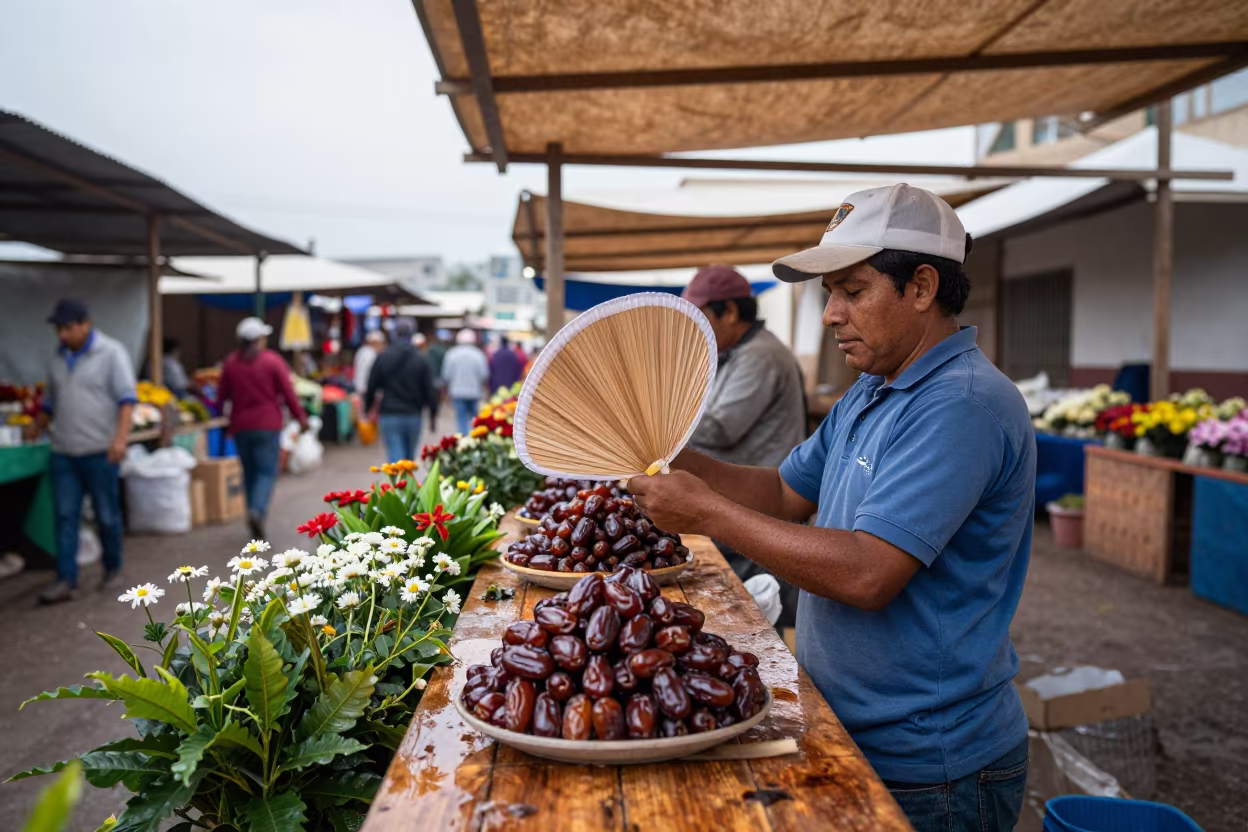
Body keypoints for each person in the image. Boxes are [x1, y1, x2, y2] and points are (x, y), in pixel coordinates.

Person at [628, 185, 1035, 832]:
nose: (830, 315)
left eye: (853, 290)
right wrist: (668, 457)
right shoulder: (873, 392)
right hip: (851, 722)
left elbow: (867, 574)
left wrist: (705, 514)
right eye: (830, 294)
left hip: (934, 764)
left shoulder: (962, 405)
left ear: (922, 287)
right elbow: (783, 493)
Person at [680, 265, 807, 627]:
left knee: (757, 618)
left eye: (701, 316)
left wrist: (661, 422)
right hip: (744, 501)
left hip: (762, 506)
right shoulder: (733, 353)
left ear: (731, 311)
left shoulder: (761, 355)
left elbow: (720, 428)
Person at [34, 299, 137, 604]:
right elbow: (50, 402)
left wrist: (120, 440)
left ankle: (112, 567)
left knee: (106, 514)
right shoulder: (56, 357)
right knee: (65, 516)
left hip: (100, 451)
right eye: (58, 329)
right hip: (64, 451)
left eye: (67, 328)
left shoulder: (111, 353)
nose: (62, 335)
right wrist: (36, 424)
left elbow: (127, 401)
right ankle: (66, 578)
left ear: (85, 324)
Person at [217, 317, 308, 540]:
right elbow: (288, 393)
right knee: (267, 472)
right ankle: (257, 511)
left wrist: (220, 419)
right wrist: (301, 418)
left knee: (249, 472)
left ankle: (252, 511)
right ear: (258, 340)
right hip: (267, 425)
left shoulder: (230, 363)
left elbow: (221, 397)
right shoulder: (272, 361)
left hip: (240, 426)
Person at [365, 320, 438, 463]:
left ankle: (398, 485)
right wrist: (432, 415)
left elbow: (372, 385)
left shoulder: (383, 357)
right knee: (409, 458)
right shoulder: (421, 359)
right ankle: (406, 484)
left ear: (393, 334)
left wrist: (368, 408)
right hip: (413, 414)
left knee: (395, 456)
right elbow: (430, 389)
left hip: (389, 414)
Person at [442, 329, 489, 434]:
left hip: (457, 392)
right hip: (474, 392)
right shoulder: (479, 355)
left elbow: (446, 375)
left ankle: (464, 442)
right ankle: (473, 440)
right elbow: (484, 374)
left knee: (461, 419)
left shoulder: (451, 354)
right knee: (474, 420)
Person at [354, 330, 385, 395]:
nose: (382, 347)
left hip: (358, 388)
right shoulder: (371, 355)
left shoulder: (361, 351)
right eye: (381, 344)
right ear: (375, 343)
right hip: (367, 391)